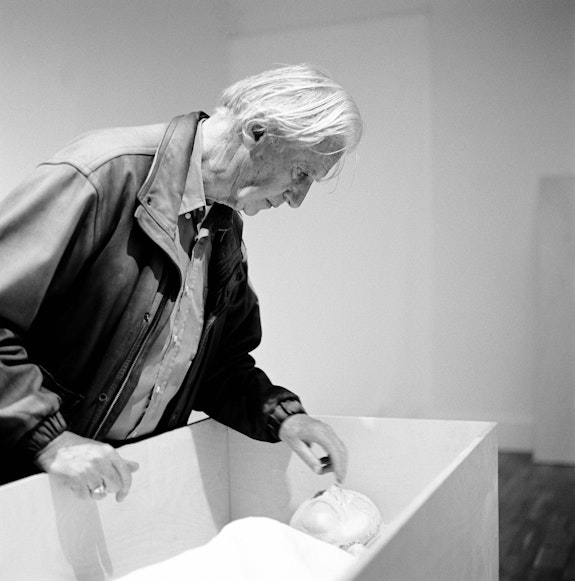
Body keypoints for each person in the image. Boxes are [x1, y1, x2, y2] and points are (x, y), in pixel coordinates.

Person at [0, 64, 363, 501]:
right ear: (257, 132)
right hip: (25, 480)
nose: (298, 199)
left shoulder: (223, 225)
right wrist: (49, 439)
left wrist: (282, 416)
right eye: (302, 172)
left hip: (107, 486)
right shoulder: (103, 173)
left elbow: (216, 368)